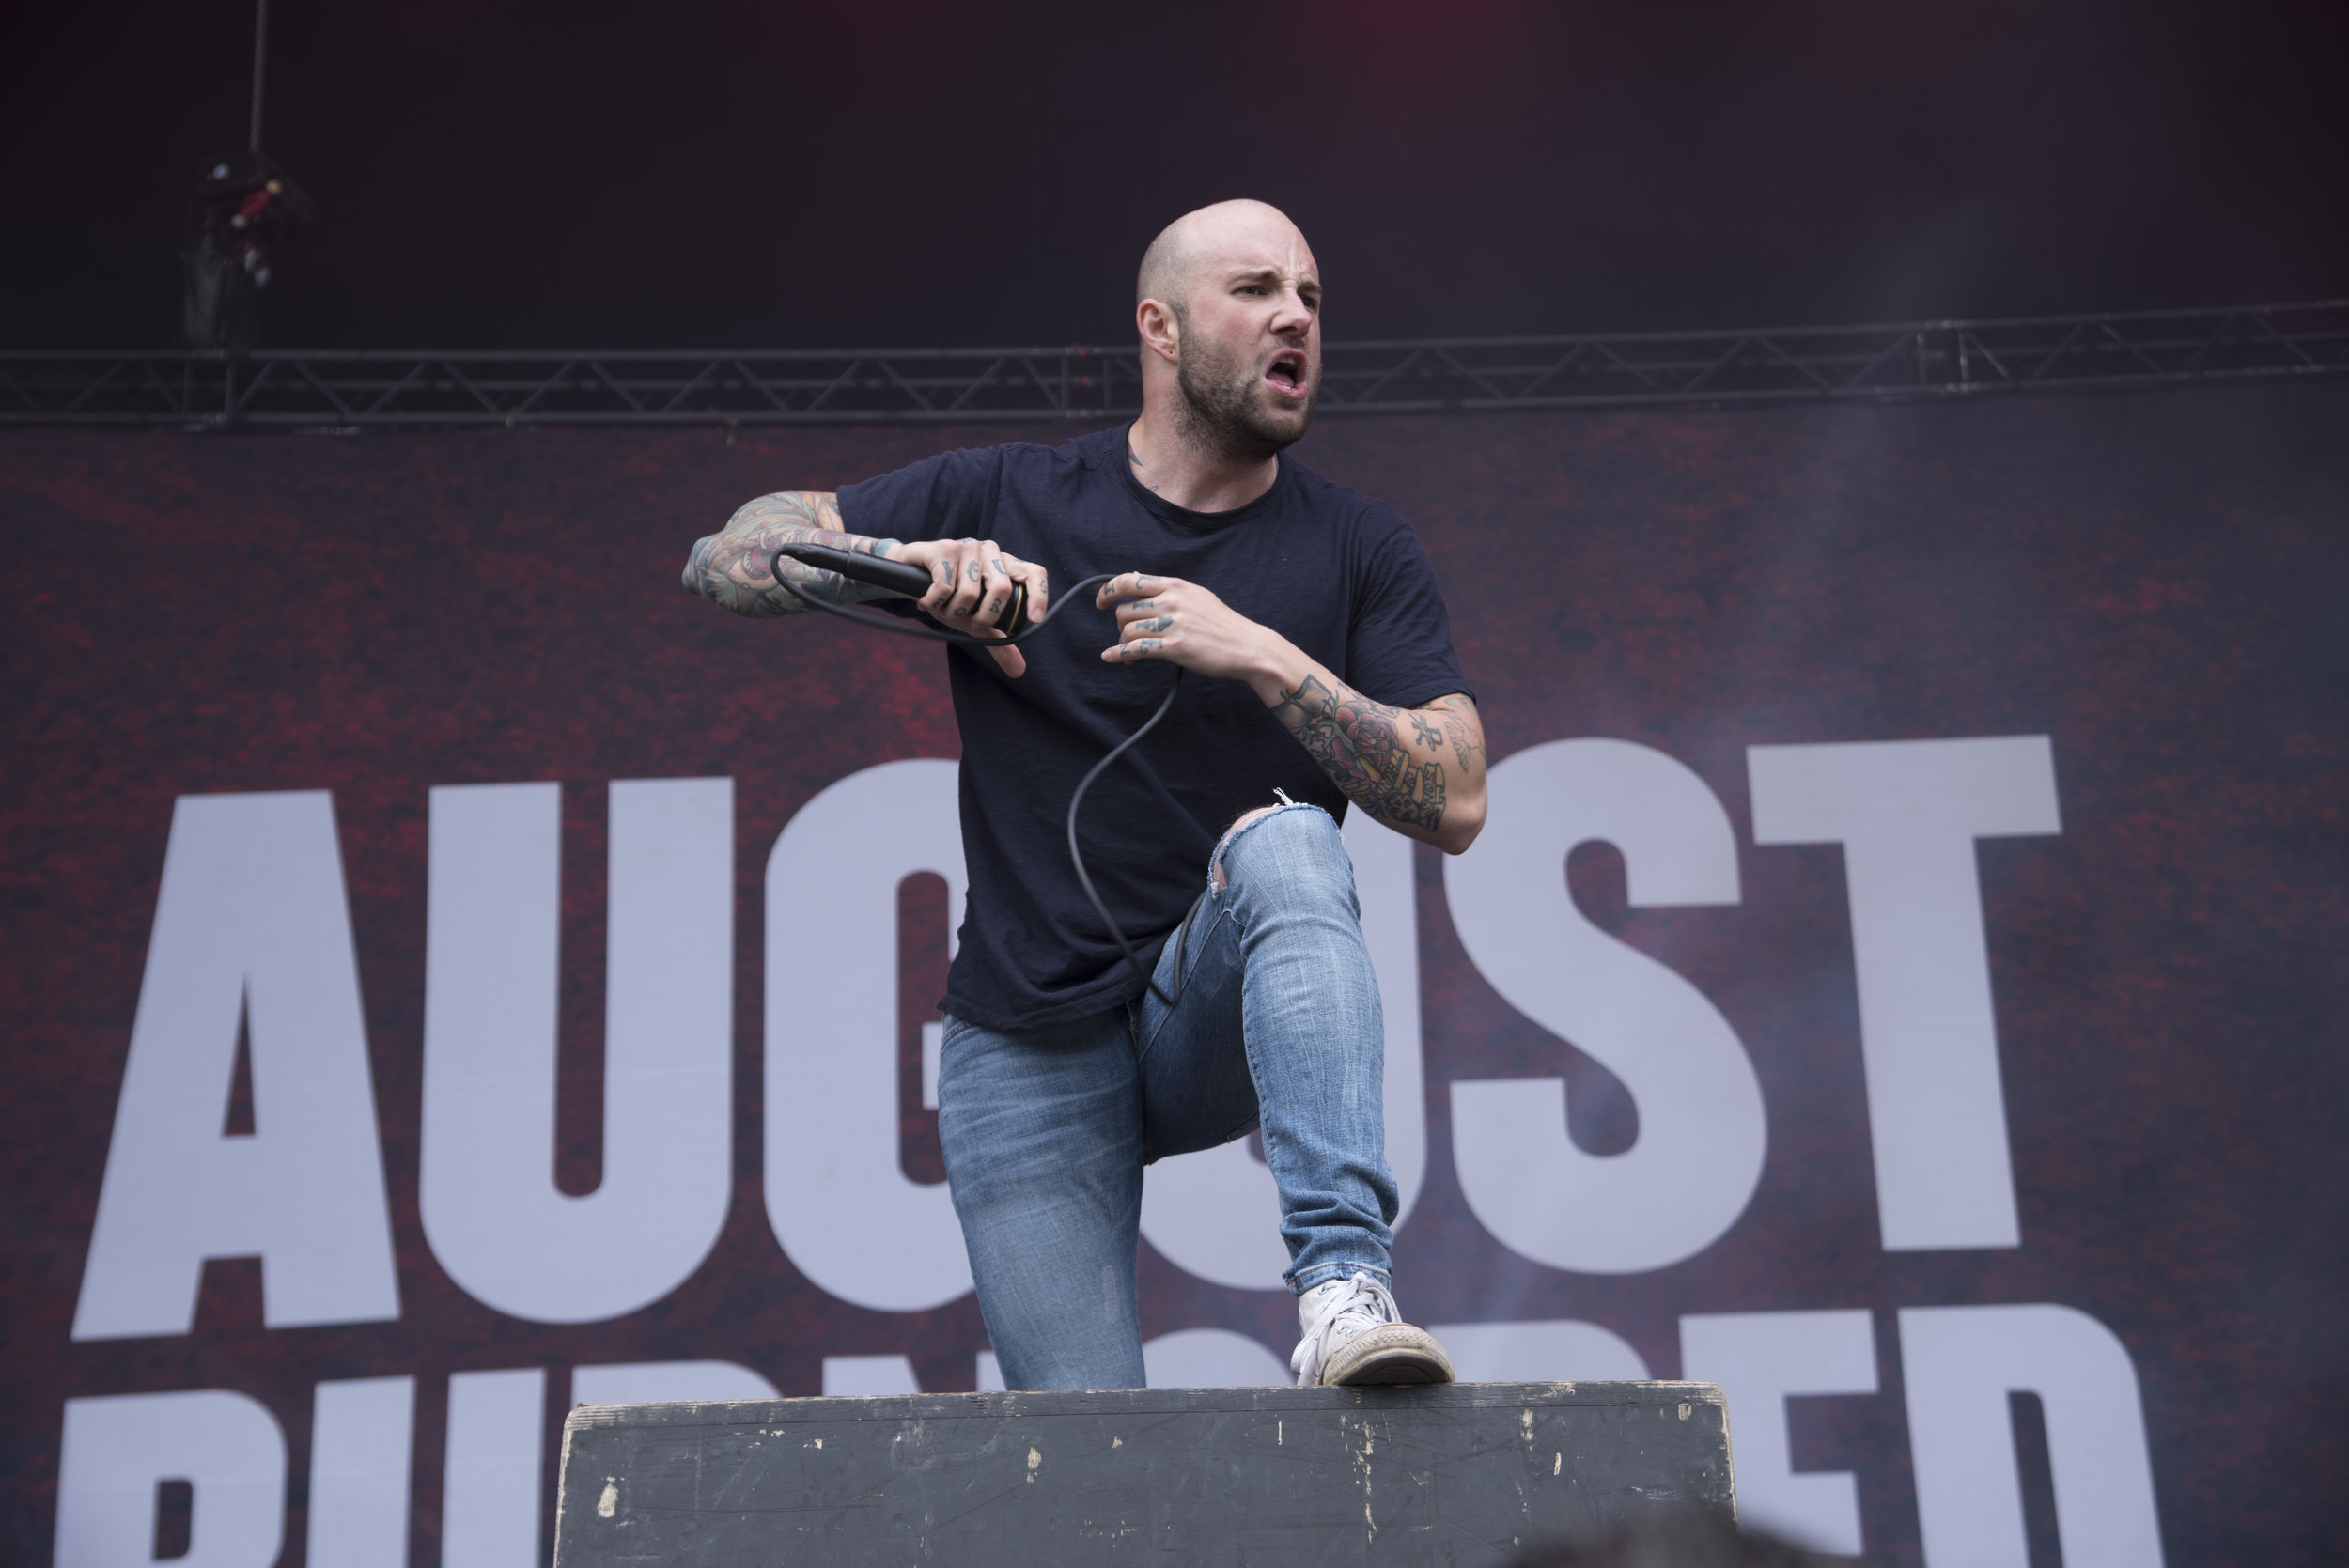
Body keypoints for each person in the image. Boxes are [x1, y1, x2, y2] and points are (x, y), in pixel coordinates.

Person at [682, 198, 1487, 1391]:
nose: (1296, 317)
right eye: (1256, 289)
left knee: (1290, 844)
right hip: (1026, 1038)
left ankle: (1341, 1290)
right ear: (1161, 328)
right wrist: (907, 566)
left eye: (1310, 297)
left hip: (1206, 1011)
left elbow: (1457, 798)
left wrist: (1263, 655)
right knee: (1087, 1451)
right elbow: (731, 554)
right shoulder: (1010, 492)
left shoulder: (1359, 545)